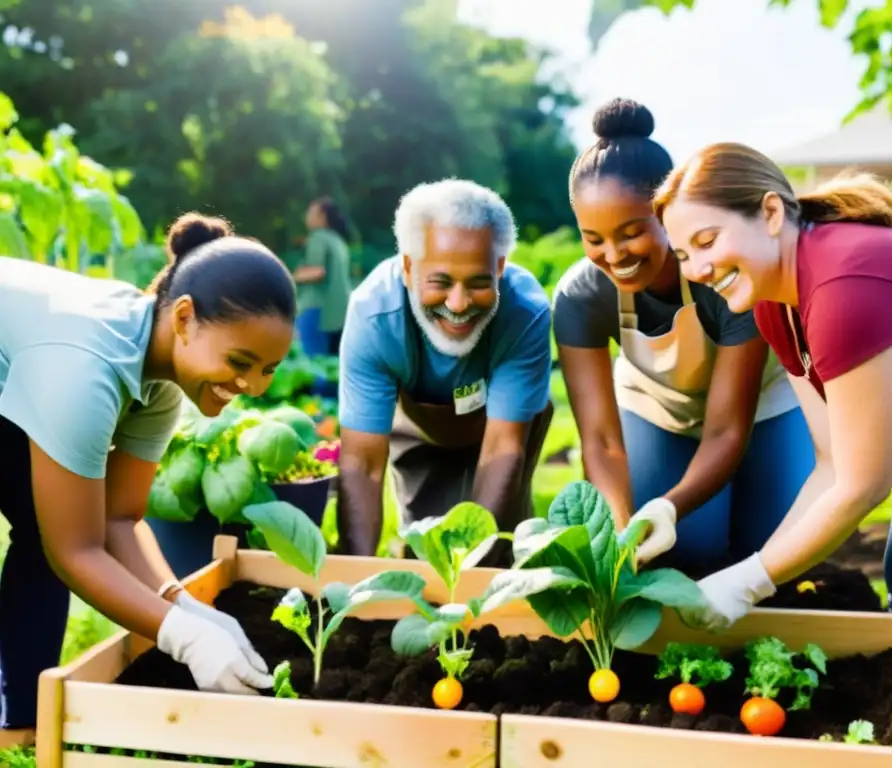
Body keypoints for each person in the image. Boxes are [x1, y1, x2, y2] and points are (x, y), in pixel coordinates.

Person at [653, 141, 892, 710]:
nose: (698, 268)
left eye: (707, 241)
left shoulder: (845, 281)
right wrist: (755, 572)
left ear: (771, 214)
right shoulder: (776, 306)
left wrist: (750, 578)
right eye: (683, 254)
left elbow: (865, 485)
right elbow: (831, 465)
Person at [0, 213, 296, 730]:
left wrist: (180, 603)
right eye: (240, 361)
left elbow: (119, 520)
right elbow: (76, 552)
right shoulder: (85, 374)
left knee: (40, 523)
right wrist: (183, 636)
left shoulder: (158, 382)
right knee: (54, 535)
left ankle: (22, 725)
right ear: (184, 318)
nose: (253, 385)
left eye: (267, 369)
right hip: (43, 365)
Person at [552, 98, 814, 570]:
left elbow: (725, 429)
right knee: (686, 552)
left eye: (632, 231)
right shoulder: (581, 297)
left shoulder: (720, 278)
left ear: (667, 215)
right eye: (594, 239)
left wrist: (671, 507)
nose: (614, 254)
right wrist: (619, 526)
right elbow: (600, 440)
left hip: (759, 408)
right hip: (658, 407)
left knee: (776, 551)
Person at [335, 178, 553, 563]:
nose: (458, 303)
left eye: (478, 283)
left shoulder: (525, 312)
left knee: (502, 554)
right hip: (421, 429)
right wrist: (351, 583)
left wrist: (475, 576)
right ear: (407, 268)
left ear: (500, 267)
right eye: (440, 282)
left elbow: (504, 447)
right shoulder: (374, 316)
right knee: (429, 553)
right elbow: (363, 464)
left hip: (499, 430)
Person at [292, 196, 354, 361]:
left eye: (311, 212)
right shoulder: (338, 241)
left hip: (315, 308)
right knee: (334, 365)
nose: (307, 216)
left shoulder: (317, 237)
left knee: (314, 363)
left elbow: (317, 272)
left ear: (322, 216)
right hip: (340, 311)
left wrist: (293, 276)